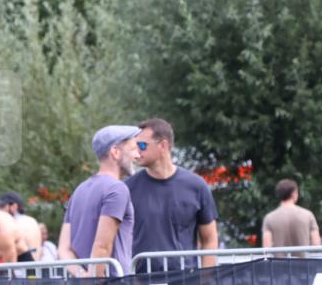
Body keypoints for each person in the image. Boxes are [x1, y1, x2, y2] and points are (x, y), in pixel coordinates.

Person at [127, 118, 218, 271]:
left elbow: (209, 238)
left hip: (185, 283)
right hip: (141, 282)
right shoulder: (127, 189)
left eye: (142, 145)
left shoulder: (196, 186)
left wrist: (205, 278)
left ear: (163, 145)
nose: (137, 151)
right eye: (135, 146)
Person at [59, 125, 138, 276]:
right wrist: (93, 282)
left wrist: (82, 276)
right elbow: (102, 246)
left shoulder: (79, 190)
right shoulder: (117, 189)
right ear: (115, 152)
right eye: (132, 149)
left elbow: (63, 249)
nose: (137, 155)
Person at [261, 179, 321, 256]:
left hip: (278, 266)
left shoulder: (269, 218)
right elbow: (316, 244)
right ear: (293, 194)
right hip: (304, 265)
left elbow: (266, 248)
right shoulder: (308, 215)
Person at [0, 191, 41, 262]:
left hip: (23, 269)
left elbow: (10, 249)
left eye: (2, 207)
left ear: (14, 206)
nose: (0, 210)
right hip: (35, 267)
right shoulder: (31, 220)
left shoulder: (15, 224)